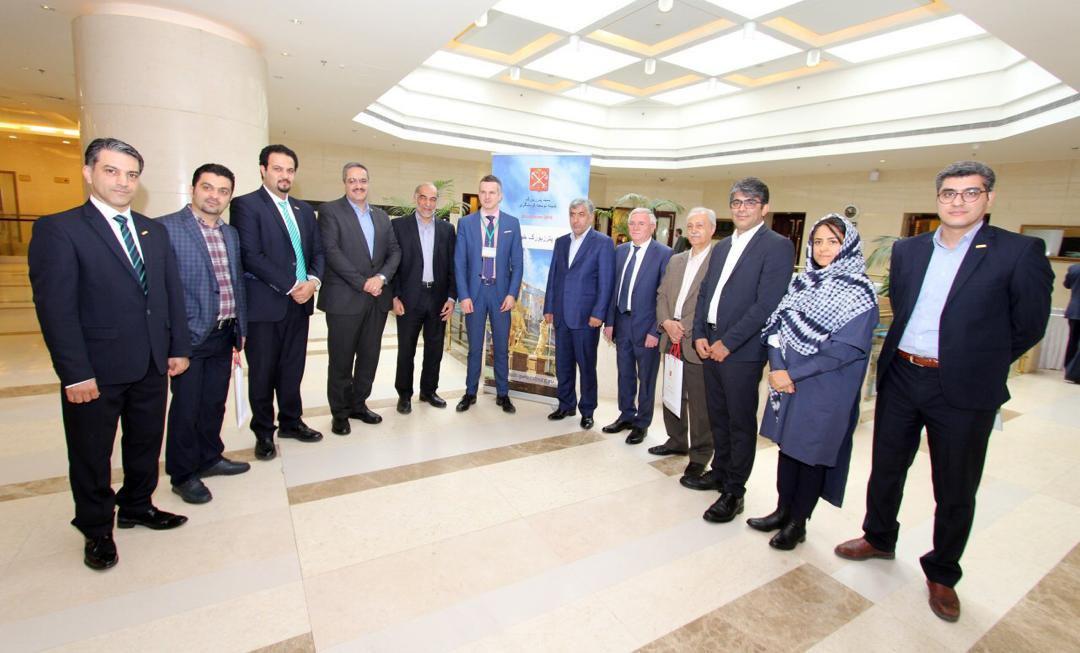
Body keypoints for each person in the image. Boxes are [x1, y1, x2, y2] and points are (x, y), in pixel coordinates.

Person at [835, 161, 1053, 623]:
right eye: (949, 193)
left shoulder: (1017, 251)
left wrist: (979, 360)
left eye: (970, 193)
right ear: (937, 199)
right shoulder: (909, 250)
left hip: (964, 386)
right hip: (902, 374)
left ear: (989, 199)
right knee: (886, 467)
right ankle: (878, 536)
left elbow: (1030, 323)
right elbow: (903, 305)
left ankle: (942, 571)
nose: (958, 202)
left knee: (955, 484)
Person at [28, 138, 191, 571]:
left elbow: (169, 293)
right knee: (91, 451)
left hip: (151, 362)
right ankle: (96, 526)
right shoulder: (60, 229)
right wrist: (75, 373)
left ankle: (138, 504)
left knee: (145, 441)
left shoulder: (152, 230)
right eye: (112, 171)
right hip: (96, 369)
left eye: (131, 174)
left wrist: (178, 347)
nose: (123, 182)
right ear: (88, 172)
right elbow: (56, 310)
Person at [749, 214, 878, 550]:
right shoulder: (802, 283)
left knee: (810, 454)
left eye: (833, 242)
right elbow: (776, 328)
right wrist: (778, 368)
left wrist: (791, 374)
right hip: (787, 382)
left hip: (825, 387)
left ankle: (798, 522)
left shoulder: (859, 292)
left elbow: (845, 350)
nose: (823, 248)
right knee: (788, 449)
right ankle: (782, 510)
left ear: (849, 246)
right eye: (817, 241)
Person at [688, 177, 794, 525]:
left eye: (750, 202)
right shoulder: (721, 247)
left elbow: (767, 303)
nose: (742, 208)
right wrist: (700, 334)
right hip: (710, 344)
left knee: (739, 422)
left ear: (765, 208)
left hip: (741, 352)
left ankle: (735, 491)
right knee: (718, 415)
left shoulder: (777, 246)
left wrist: (729, 342)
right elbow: (705, 293)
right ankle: (720, 472)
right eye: (736, 202)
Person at [159, 164, 251, 504]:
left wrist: (241, 329)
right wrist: (173, 343)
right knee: (186, 408)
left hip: (224, 333)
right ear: (193, 189)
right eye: (208, 188)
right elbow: (160, 291)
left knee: (213, 402)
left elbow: (236, 282)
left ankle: (210, 457)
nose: (215, 196)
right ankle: (183, 474)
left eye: (223, 191)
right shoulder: (166, 228)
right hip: (189, 336)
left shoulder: (231, 233)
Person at [230, 144, 325, 460]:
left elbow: (318, 252)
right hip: (265, 306)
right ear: (263, 170)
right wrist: (292, 285)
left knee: (292, 369)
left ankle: (291, 422)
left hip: (300, 304)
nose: (285, 175)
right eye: (278, 169)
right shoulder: (246, 205)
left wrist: (313, 282)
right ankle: (263, 432)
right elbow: (250, 255)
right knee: (263, 373)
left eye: (290, 170)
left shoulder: (303, 210)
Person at [317, 163, 401, 435]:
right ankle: (340, 413)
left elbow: (394, 251)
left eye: (362, 180)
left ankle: (358, 404)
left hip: (376, 300)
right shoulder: (330, 211)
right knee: (341, 360)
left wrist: (381, 278)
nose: (358, 185)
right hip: (344, 299)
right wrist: (363, 282)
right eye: (352, 180)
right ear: (344, 182)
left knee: (369, 357)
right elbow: (331, 252)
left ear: (368, 182)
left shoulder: (381, 216)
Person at [651, 207, 717, 481]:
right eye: (690, 226)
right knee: (672, 392)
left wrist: (684, 327)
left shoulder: (718, 261)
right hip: (671, 337)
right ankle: (676, 440)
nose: (694, 230)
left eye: (700, 225)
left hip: (695, 341)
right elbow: (661, 295)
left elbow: (712, 303)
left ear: (712, 229)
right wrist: (667, 322)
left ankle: (700, 455)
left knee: (699, 404)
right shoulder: (676, 260)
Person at [602, 208, 673, 444]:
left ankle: (642, 423)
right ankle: (626, 415)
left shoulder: (664, 254)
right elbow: (613, 289)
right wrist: (610, 322)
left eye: (641, 223)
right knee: (625, 374)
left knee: (646, 378)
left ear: (652, 227)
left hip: (647, 327)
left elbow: (665, 296)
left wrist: (656, 330)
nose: (635, 227)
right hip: (622, 323)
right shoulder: (620, 251)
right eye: (632, 223)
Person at [543, 198, 615, 430]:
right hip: (561, 315)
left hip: (586, 318)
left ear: (591, 217)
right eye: (572, 214)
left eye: (581, 214)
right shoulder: (561, 242)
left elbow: (606, 283)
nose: (576, 219)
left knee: (586, 366)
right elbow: (553, 277)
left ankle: (587, 410)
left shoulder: (603, 243)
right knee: (563, 364)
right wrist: (549, 307)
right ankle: (566, 405)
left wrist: (599, 313)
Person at [454, 175, 523, 413]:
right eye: (483, 192)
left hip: (500, 295)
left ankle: (503, 394)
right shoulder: (466, 223)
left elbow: (518, 264)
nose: (487, 196)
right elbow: (459, 263)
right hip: (474, 294)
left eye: (492, 192)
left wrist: (512, 294)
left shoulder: (512, 224)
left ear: (500, 195)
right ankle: (470, 392)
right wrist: (463, 295)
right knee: (474, 348)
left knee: (501, 347)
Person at [391, 182, 457, 413]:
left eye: (433, 199)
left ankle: (428, 391)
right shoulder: (399, 226)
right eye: (423, 198)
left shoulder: (447, 230)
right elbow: (392, 264)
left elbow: (453, 266)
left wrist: (451, 298)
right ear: (415, 198)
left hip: (438, 298)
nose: (428, 204)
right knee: (406, 349)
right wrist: (394, 296)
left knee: (435, 348)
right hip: (409, 298)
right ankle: (404, 394)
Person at [1063, 263, 1080, 382]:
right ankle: (1075, 373)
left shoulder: (1074, 269)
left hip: (1074, 310)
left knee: (1072, 341)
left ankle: (1068, 368)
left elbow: (1067, 284)